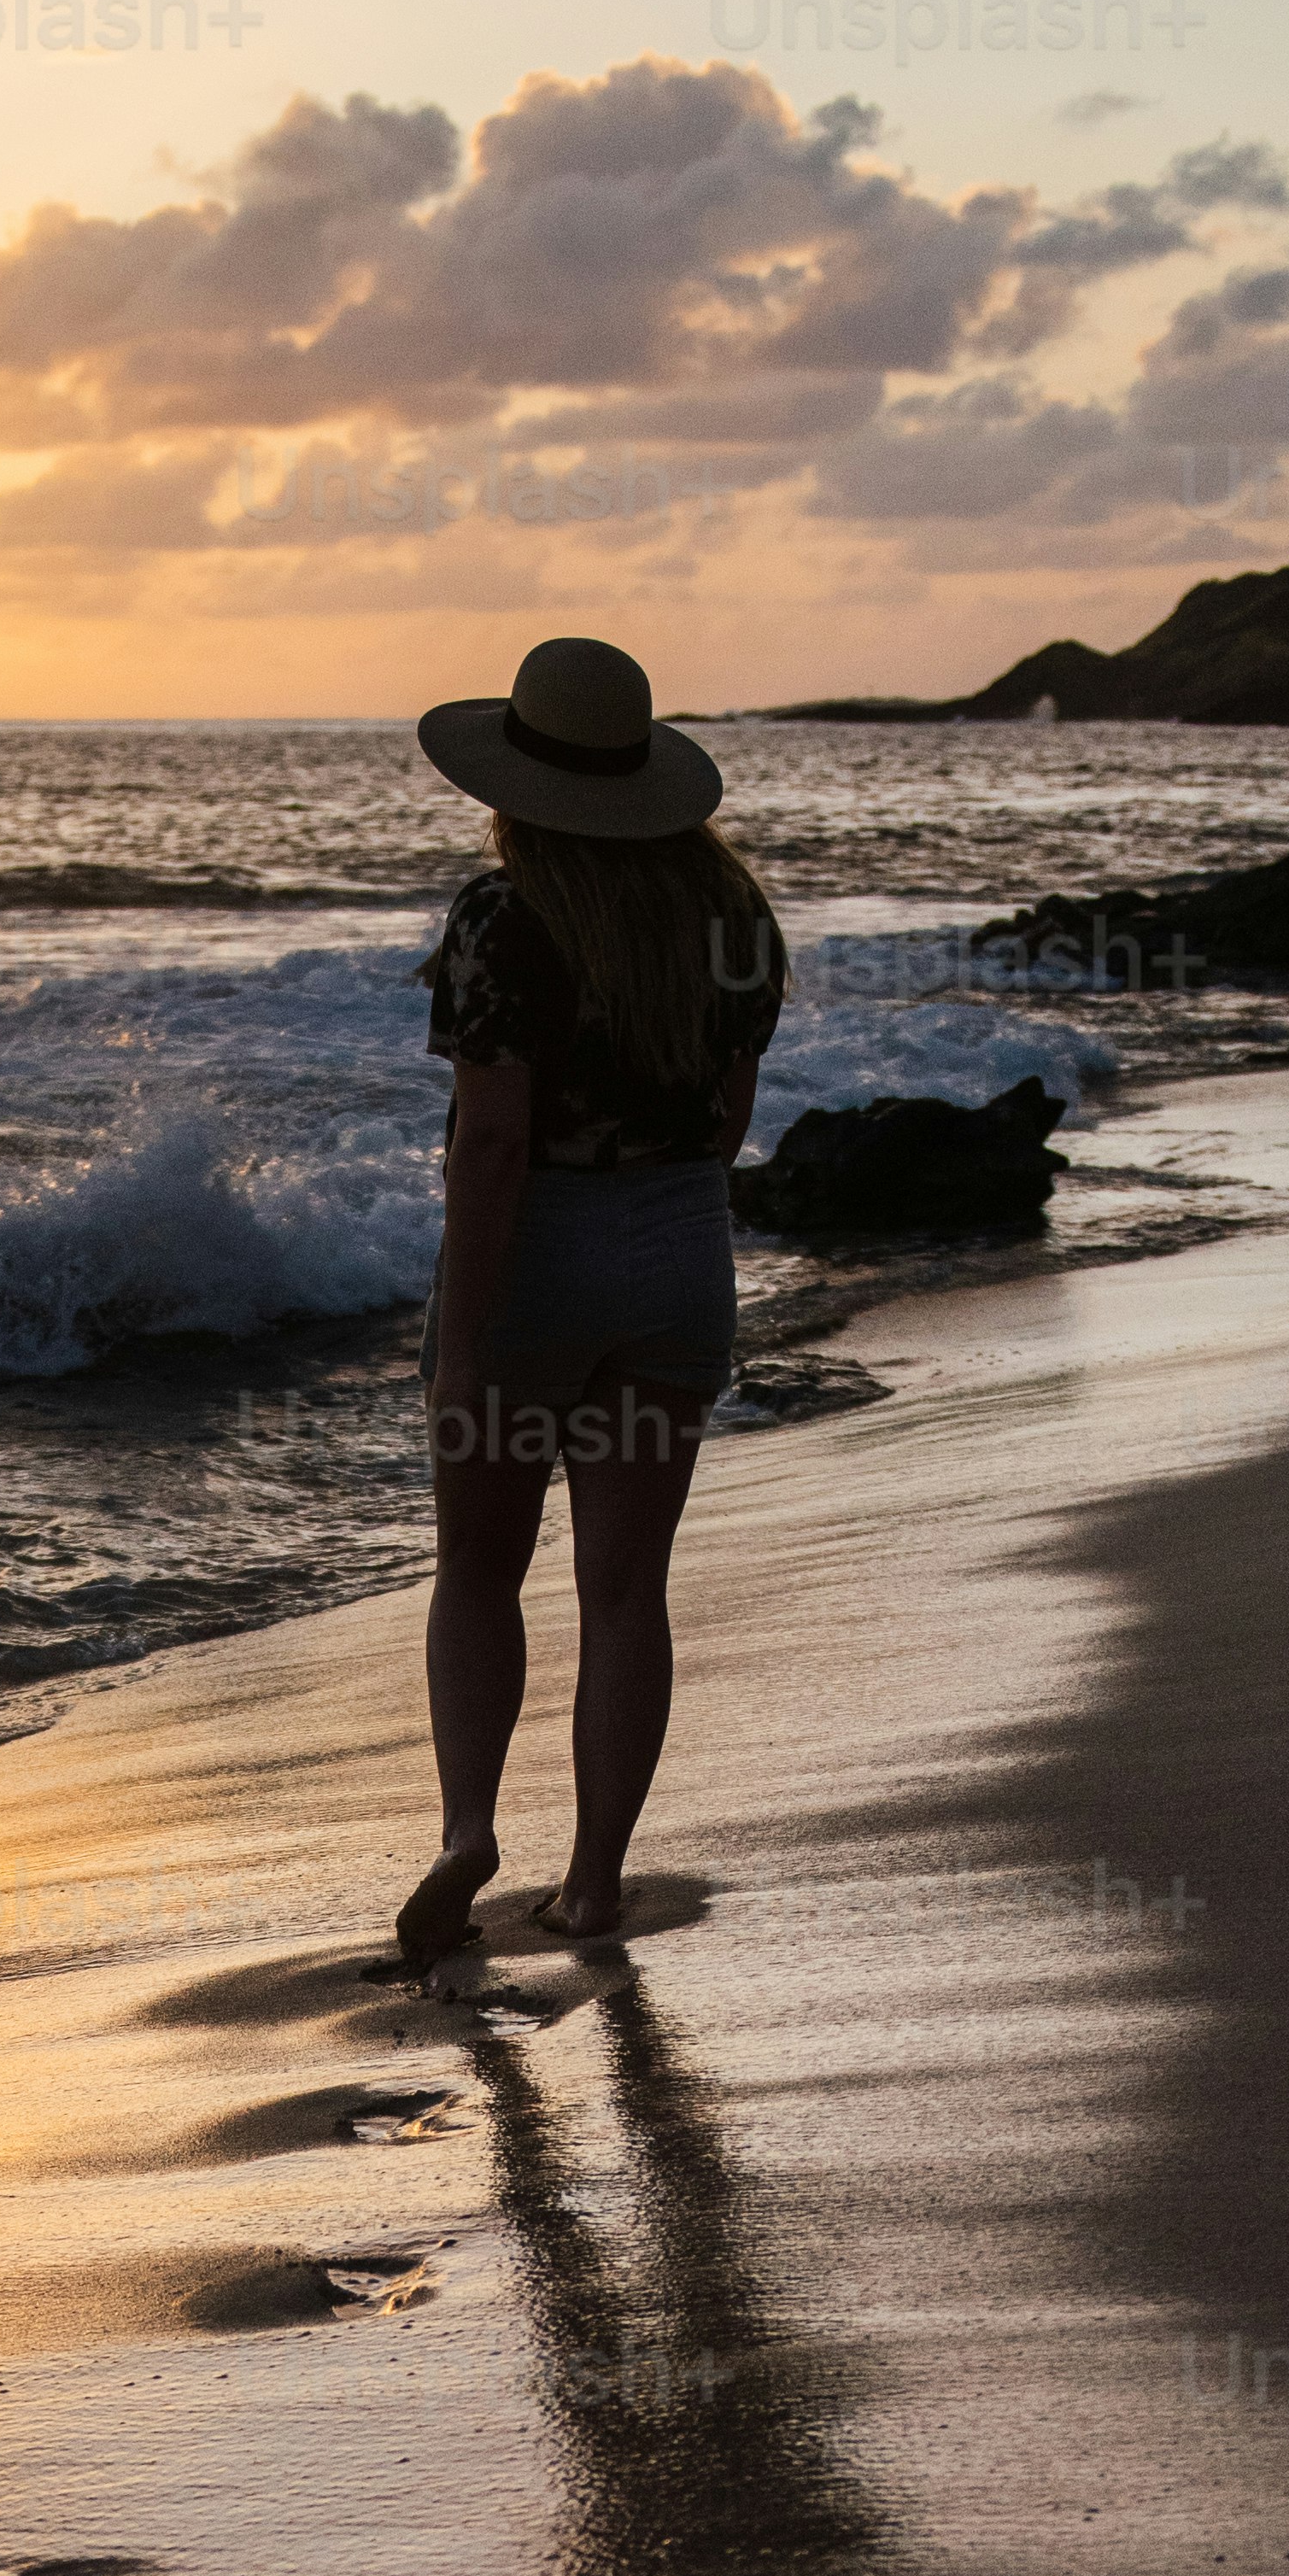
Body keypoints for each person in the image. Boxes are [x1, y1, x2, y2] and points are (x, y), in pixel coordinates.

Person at [395, 636, 786, 1969]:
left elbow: (493, 1145)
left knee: (479, 1567)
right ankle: (597, 1883)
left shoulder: (504, 919)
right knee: (625, 1591)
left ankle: (467, 1832)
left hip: (537, 1259)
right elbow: (728, 1123)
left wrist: (465, 1342)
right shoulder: (731, 915)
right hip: (679, 1253)